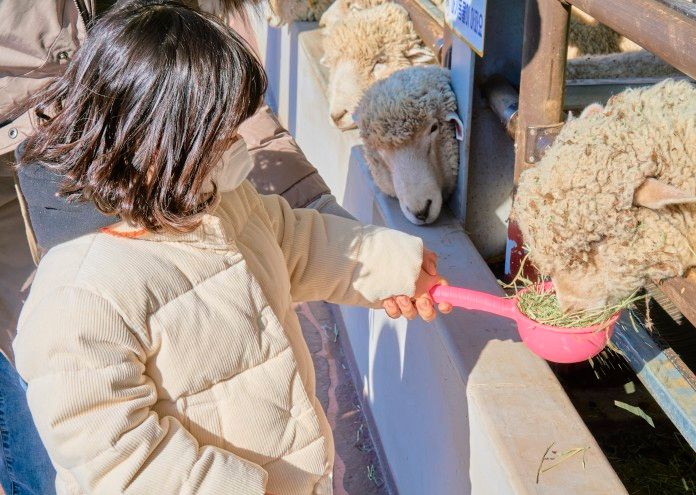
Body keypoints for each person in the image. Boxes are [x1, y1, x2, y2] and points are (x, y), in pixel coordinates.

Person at [12, 2, 450, 494]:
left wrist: (394, 267)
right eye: (221, 134)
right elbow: (122, 462)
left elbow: (291, 241)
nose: (238, 144)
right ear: (161, 141)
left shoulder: (216, 202)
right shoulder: (79, 298)